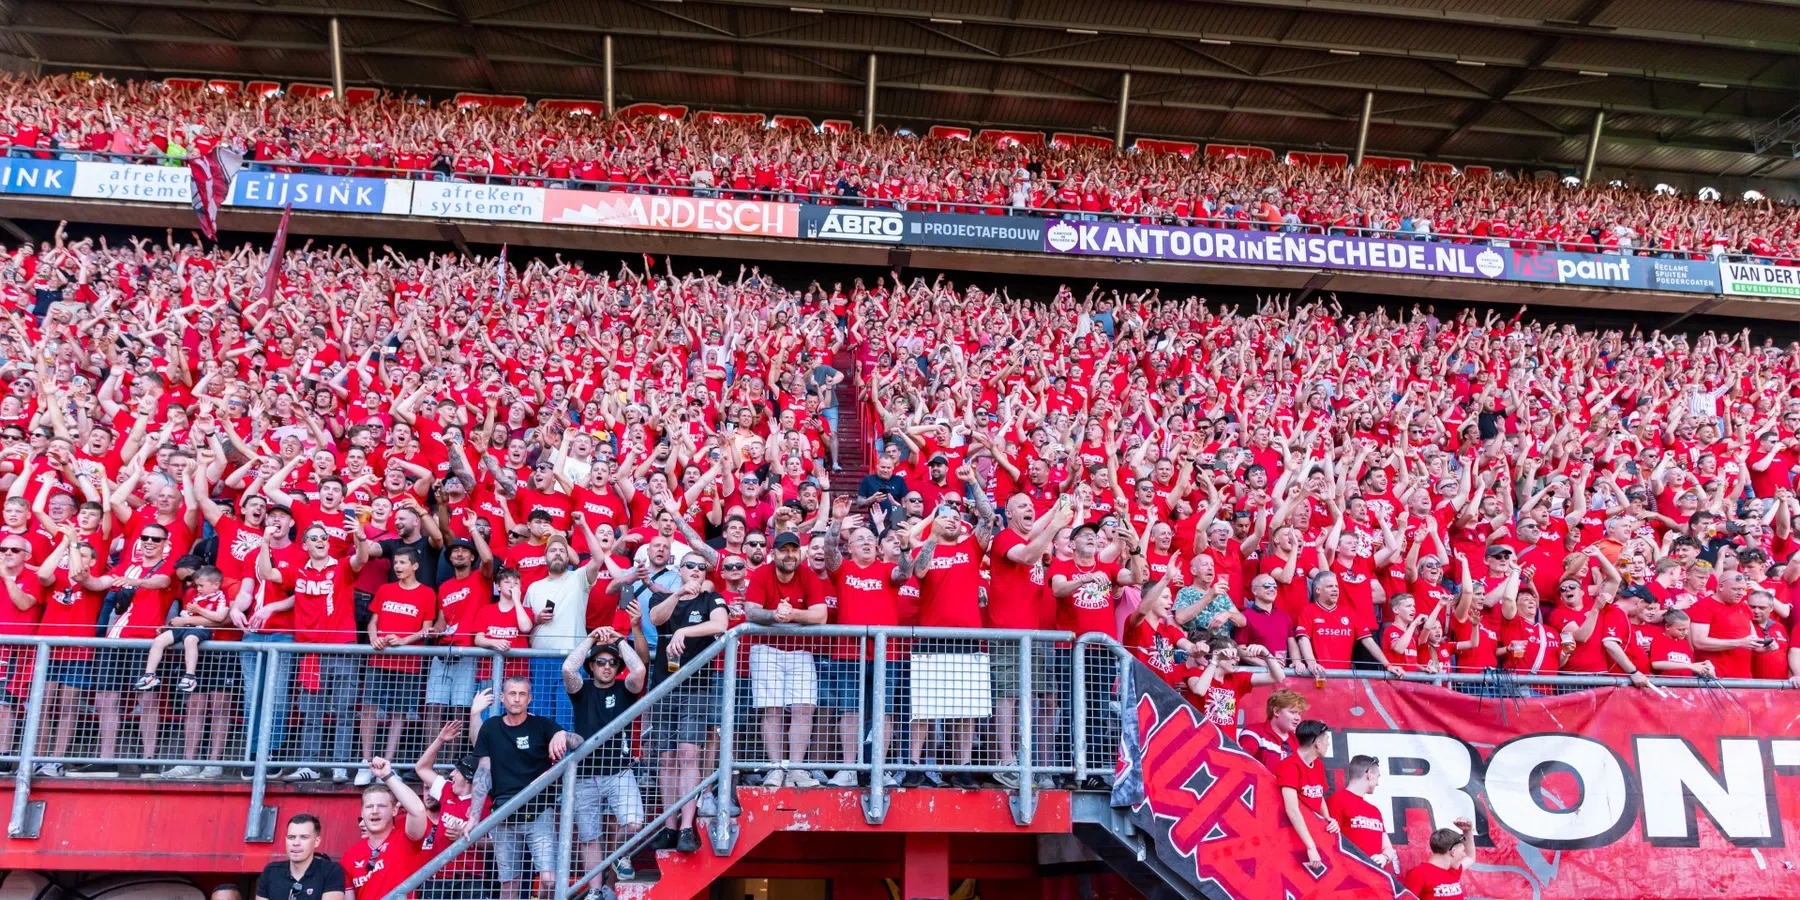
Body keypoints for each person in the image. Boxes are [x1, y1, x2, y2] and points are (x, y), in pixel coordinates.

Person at [468, 676, 585, 900]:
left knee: (550, 880)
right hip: (503, 814)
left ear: (529, 699)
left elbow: (580, 742)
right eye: (512, 694)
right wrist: (474, 817)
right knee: (509, 884)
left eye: (522, 694)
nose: (517, 699)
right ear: (502, 698)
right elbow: (483, 773)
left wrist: (563, 734)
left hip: (539, 812)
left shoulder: (541, 725)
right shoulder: (491, 727)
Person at [646, 555, 728, 853]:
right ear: (679, 571)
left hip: (697, 686)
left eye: (700, 567)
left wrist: (684, 631)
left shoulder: (712, 598)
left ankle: (686, 827)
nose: (695, 570)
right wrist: (679, 593)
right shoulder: (664, 596)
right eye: (689, 566)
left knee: (689, 754)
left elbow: (722, 623)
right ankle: (669, 826)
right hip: (664, 687)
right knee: (666, 759)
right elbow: (655, 618)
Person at [562, 627, 647, 900]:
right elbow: (567, 669)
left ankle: (618, 858)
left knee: (634, 824)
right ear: (592, 665)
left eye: (612, 663)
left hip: (619, 770)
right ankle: (595, 891)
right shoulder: (581, 689)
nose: (607, 666)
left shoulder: (625, 689)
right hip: (586, 773)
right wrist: (592, 639)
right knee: (589, 836)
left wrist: (619, 641)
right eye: (600, 661)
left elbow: (639, 672)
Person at [744, 530, 827, 787]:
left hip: (800, 650)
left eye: (793, 550)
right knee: (772, 711)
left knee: (804, 709)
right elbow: (751, 610)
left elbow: (820, 615)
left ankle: (796, 770)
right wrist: (773, 615)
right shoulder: (761, 573)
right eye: (784, 550)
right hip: (766, 649)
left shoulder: (807, 574)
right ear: (773, 553)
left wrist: (790, 614)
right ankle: (777, 768)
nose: (789, 555)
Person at [412, 722, 491, 900]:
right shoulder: (448, 790)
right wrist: (440, 740)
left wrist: (467, 839)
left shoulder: (486, 804)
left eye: (457, 771)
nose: (452, 775)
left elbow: (497, 844)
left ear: (469, 778)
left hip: (471, 880)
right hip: (438, 877)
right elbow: (421, 768)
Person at [342, 757, 432, 900]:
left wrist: (387, 776)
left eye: (382, 806)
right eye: (369, 807)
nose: (375, 811)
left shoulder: (406, 839)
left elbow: (418, 810)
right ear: (362, 812)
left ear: (394, 811)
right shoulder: (349, 856)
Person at [1276, 719, 1337, 867]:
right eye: (1327, 740)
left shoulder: (1318, 765)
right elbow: (1292, 809)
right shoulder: (1289, 766)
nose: (1328, 744)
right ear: (1317, 743)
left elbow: (1318, 795)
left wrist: (1328, 819)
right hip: (1292, 837)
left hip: (1313, 833)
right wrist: (1310, 846)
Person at [255, 813, 346, 900]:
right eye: (291, 837)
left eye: (304, 837)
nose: (296, 843)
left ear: (317, 841)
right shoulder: (271, 871)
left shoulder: (330, 871)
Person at [1330, 755, 1396, 870]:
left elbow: (1389, 849)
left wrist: (1384, 857)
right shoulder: (1336, 801)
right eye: (1377, 777)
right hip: (1349, 878)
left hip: (1374, 879)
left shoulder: (1374, 811)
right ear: (1370, 774)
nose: (1378, 783)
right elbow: (1330, 844)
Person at [1402, 818, 1477, 898]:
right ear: (1453, 852)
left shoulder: (1453, 871)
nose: (1464, 854)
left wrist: (1467, 831)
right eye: (1462, 850)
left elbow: (1470, 857)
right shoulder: (1419, 873)